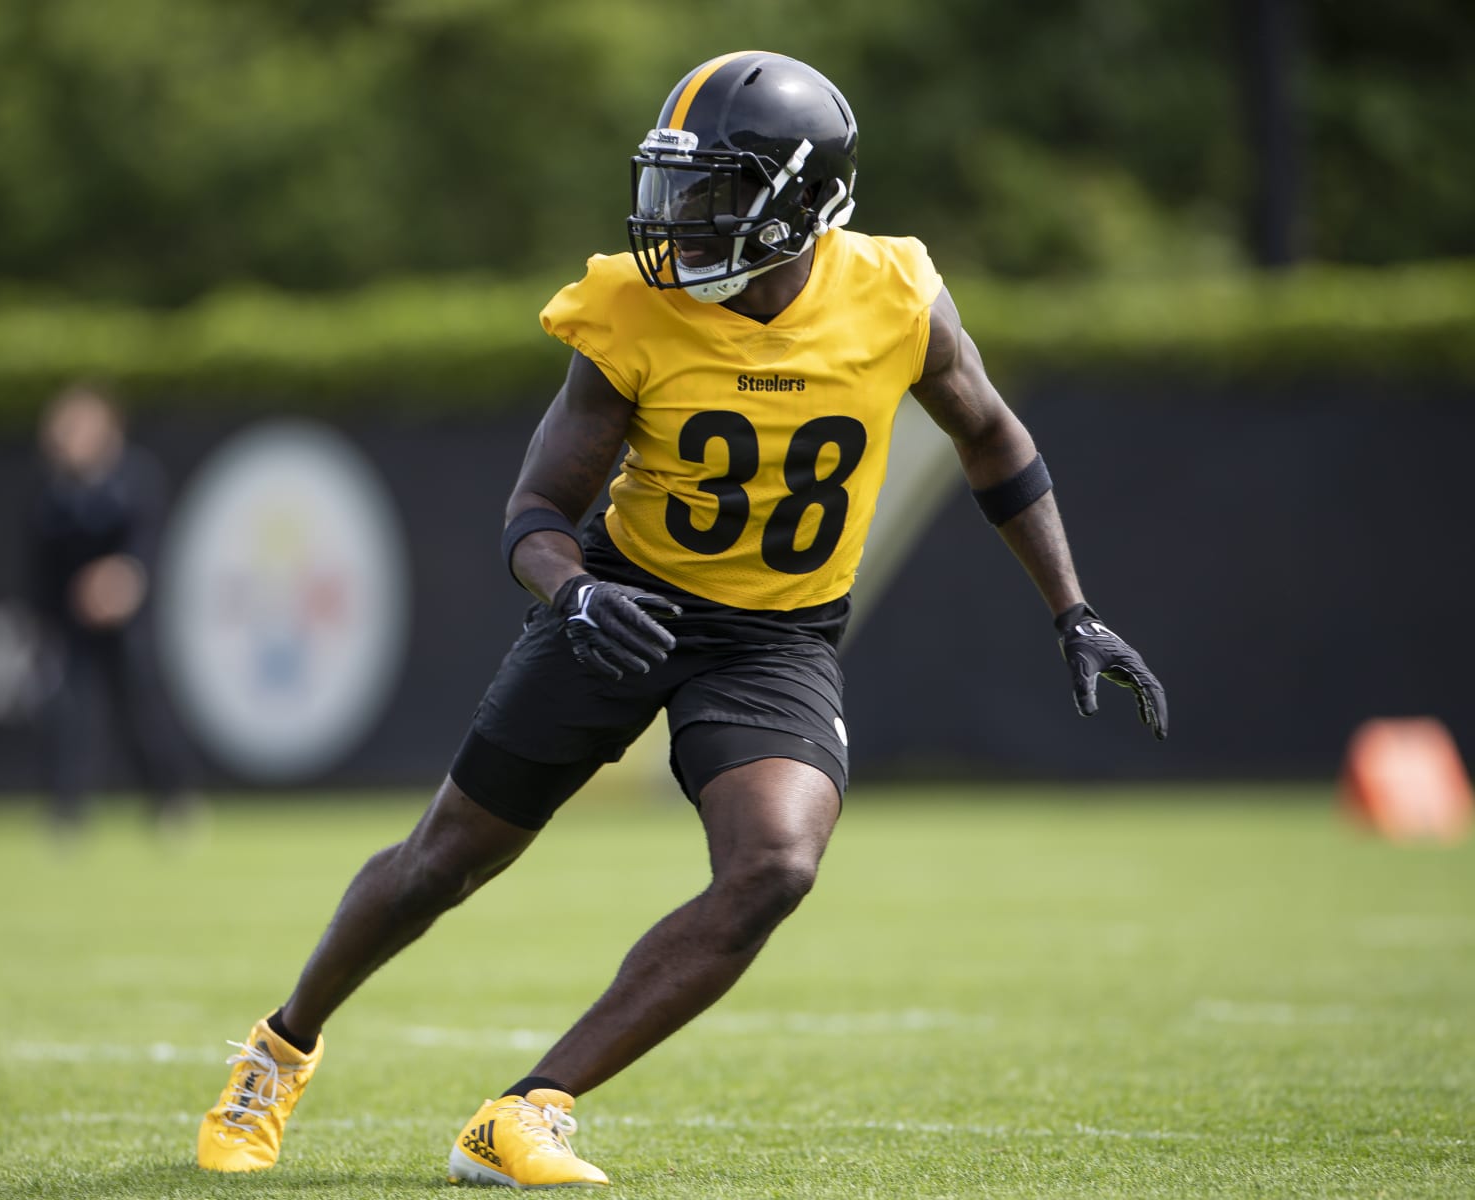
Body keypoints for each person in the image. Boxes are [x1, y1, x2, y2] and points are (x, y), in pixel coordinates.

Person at [197, 50, 1167, 1187]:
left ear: (802, 203)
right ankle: (280, 1047)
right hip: (625, 599)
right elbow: (536, 513)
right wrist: (577, 593)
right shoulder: (634, 304)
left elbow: (994, 436)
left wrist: (1073, 609)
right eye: (673, 185)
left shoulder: (896, 292)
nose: (677, 219)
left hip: (776, 635)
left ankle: (525, 1113)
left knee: (777, 863)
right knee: (443, 860)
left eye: (711, 192)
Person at [26, 383, 197, 835]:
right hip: (74, 625)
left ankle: (172, 801)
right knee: (71, 714)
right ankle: (67, 812)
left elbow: (147, 545)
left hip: (128, 621)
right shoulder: (54, 494)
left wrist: (121, 582)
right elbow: (43, 570)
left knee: (143, 710)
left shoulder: (135, 479)